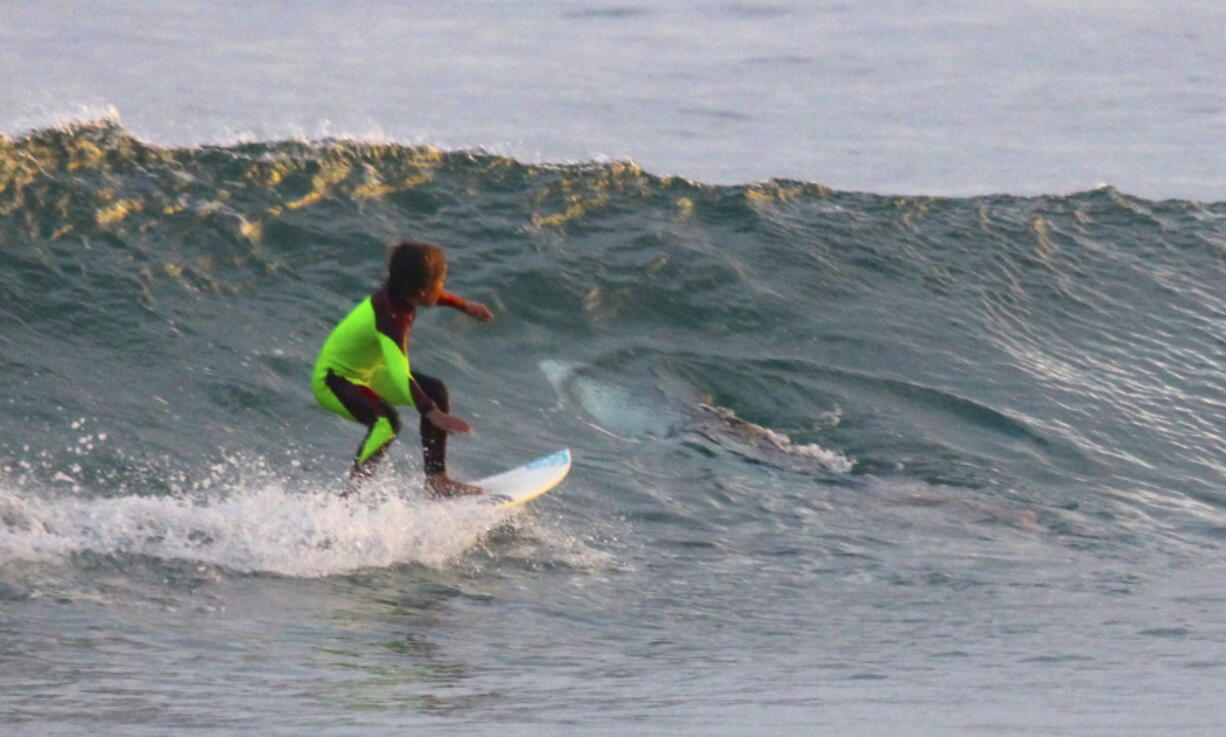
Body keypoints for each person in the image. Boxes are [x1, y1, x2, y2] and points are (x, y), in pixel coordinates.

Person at [311, 241, 494, 497]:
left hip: (368, 373)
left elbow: (433, 296)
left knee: (435, 389)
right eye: (440, 281)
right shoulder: (391, 317)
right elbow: (399, 370)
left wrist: (463, 306)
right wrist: (431, 412)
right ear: (421, 290)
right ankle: (350, 498)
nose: (442, 286)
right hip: (334, 381)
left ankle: (437, 482)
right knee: (386, 421)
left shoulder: (400, 292)